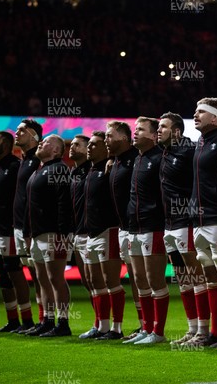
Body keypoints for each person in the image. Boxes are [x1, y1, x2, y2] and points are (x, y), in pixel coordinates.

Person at [183, 98, 217, 348]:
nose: (195, 115)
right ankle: (214, 332)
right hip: (199, 219)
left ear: (215, 117)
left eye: (200, 111)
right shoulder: (199, 142)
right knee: (210, 277)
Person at [157, 112, 209, 345]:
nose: (159, 130)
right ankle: (192, 328)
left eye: (164, 127)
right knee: (182, 277)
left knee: (196, 275)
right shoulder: (164, 152)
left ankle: (204, 331)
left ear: (177, 131)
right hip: (169, 224)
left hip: (186, 221)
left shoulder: (190, 151)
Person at [124, 117, 169, 345]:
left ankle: (158, 332)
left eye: (140, 129)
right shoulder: (137, 159)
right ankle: (146, 327)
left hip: (154, 226)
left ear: (153, 136)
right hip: (135, 227)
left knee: (154, 279)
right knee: (140, 279)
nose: (135, 132)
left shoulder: (160, 158)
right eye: (134, 129)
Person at [24, 135, 74, 337]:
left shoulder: (60, 169)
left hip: (54, 233)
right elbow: (30, 207)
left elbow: (65, 203)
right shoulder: (40, 171)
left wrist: (63, 233)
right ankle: (48, 320)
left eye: (45, 143)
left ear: (55, 150)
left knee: (55, 278)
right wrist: (29, 233)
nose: (41, 144)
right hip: (38, 233)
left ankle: (63, 323)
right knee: (43, 279)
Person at [0, 131, 34, 332]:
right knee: (2, 276)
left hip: (8, 230)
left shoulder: (15, 166)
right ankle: (13, 319)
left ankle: (27, 320)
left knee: (15, 273)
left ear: (5, 145)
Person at [83, 131, 125, 340]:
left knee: (111, 280)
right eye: (88, 144)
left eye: (94, 144)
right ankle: (101, 326)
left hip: (108, 230)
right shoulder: (90, 171)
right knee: (94, 280)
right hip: (91, 232)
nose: (89, 147)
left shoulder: (110, 168)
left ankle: (117, 328)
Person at [106, 120, 143, 340]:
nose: (106, 140)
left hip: (139, 227)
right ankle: (143, 324)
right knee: (134, 278)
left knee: (141, 278)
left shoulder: (136, 159)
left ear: (123, 138)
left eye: (110, 136)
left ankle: (149, 325)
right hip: (124, 228)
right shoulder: (116, 162)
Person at [68, 134, 103, 339]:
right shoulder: (73, 173)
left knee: (99, 281)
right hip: (78, 232)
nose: (72, 148)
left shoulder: (94, 170)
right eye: (71, 144)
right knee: (88, 282)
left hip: (92, 232)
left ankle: (106, 324)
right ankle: (98, 322)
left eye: (77, 145)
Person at [12, 119, 43, 334]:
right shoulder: (23, 161)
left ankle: (45, 319)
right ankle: (34, 320)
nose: (17, 132)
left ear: (34, 136)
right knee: (34, 275)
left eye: (22, 130)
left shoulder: (37, 162)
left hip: (32, 227)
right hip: (20, 226)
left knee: (40, 275)